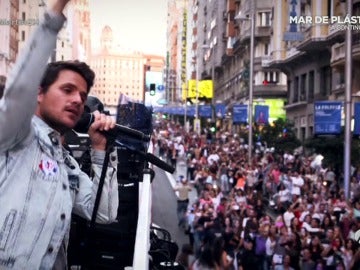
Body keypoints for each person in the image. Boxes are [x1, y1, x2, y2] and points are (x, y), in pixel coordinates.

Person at [0, 1, 119, 269]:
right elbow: (18, 93)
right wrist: (55, 13)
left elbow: (103, 213)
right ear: (39, 93)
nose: (78, 100)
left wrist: (101, 151)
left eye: (83, 96)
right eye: (67, 90)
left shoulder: (67, 164)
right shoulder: (16, 134)